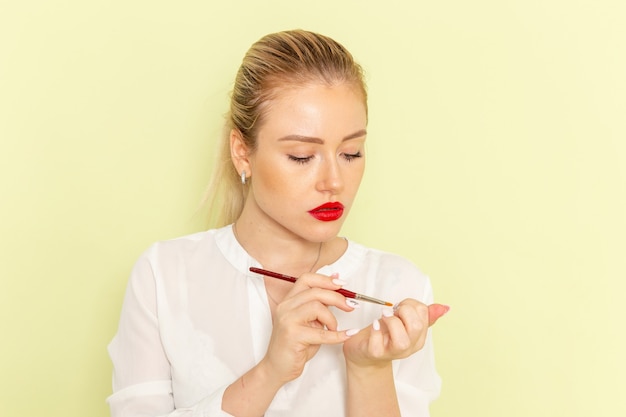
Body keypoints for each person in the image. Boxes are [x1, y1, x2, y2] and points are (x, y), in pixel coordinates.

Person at [107, 29, 449, 417]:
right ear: (242, 153)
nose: (334, 182)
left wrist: (369, 369)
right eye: (303, 156)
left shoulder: (398, 287)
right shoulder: (163, 277)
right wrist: (269, 373)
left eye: (351, 153)